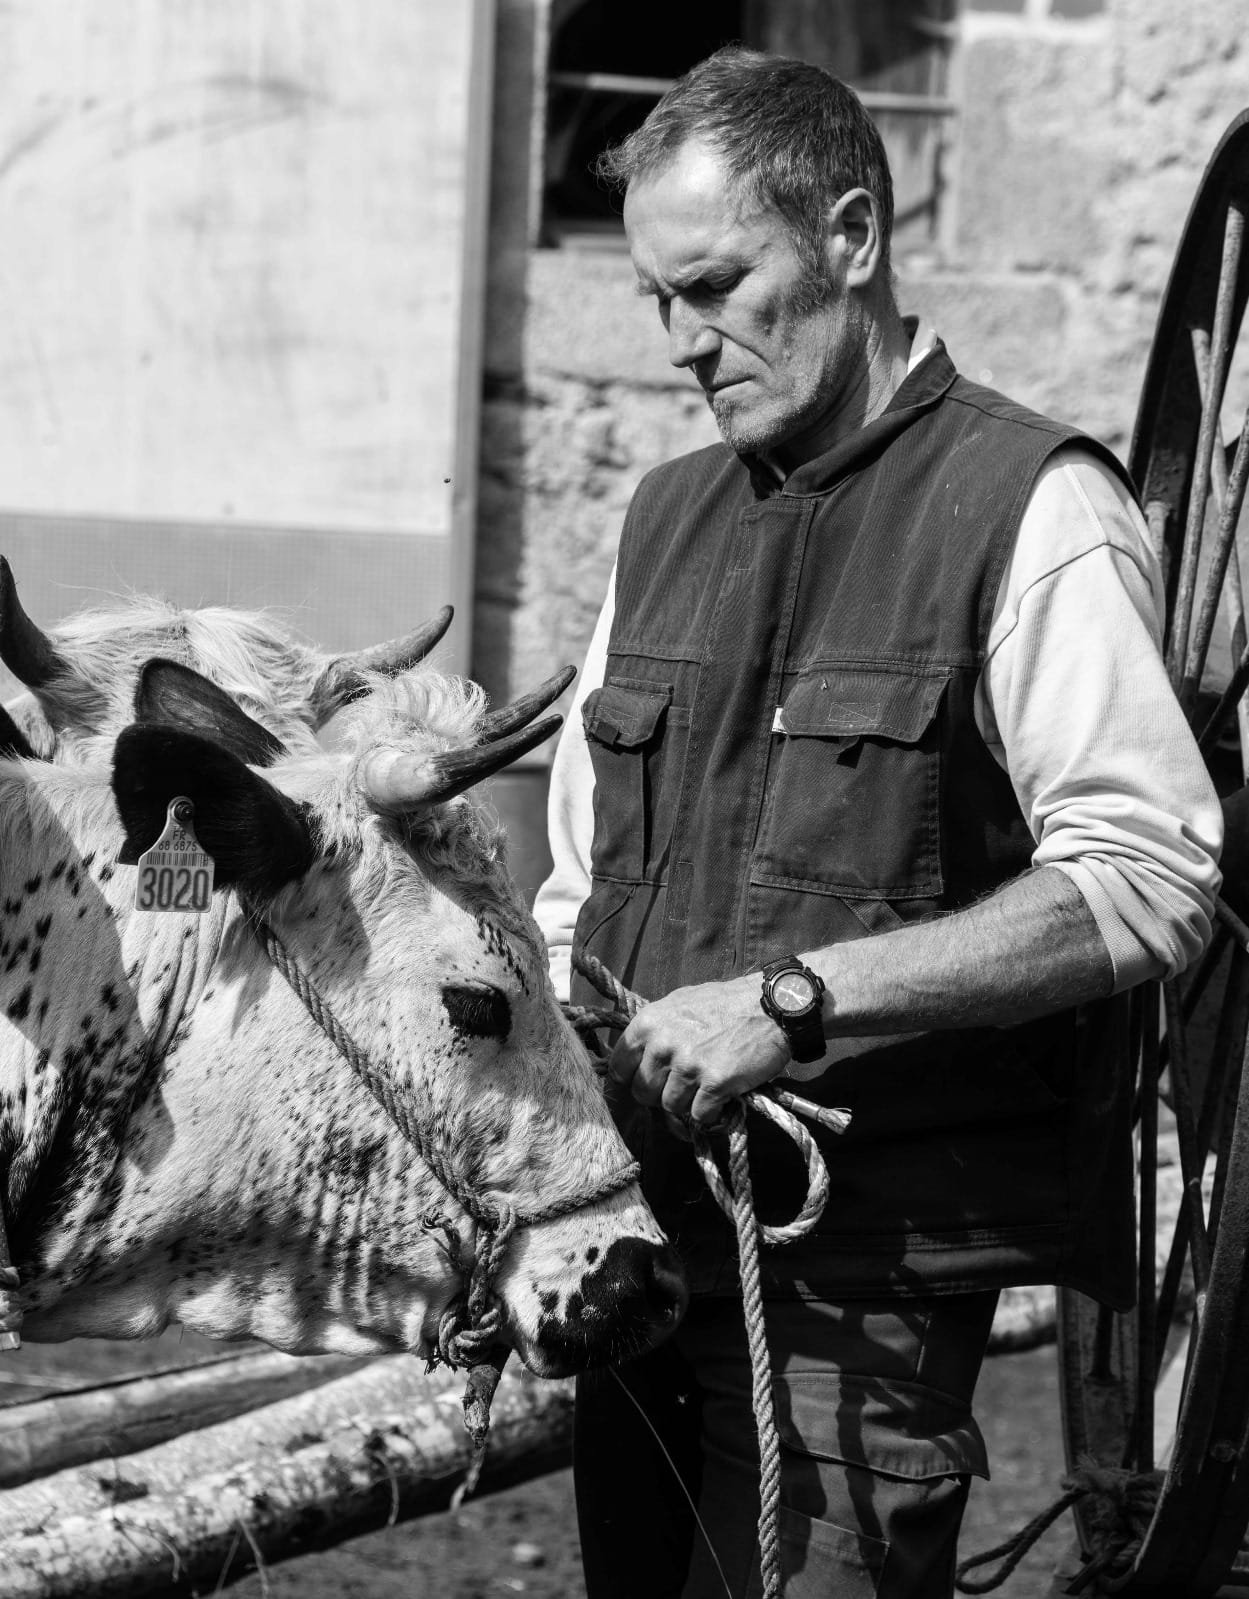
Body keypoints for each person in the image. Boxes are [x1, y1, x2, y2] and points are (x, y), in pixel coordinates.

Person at [533, 46, 1222, 1599]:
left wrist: (795, 1005)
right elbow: (581, 889)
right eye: (655, 300)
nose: (681, 344)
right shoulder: (662, 516)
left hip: (865, 1283)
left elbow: (1145, 873)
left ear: (848, 237)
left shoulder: (1029, 506)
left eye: (714, 285)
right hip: (638, 1253)